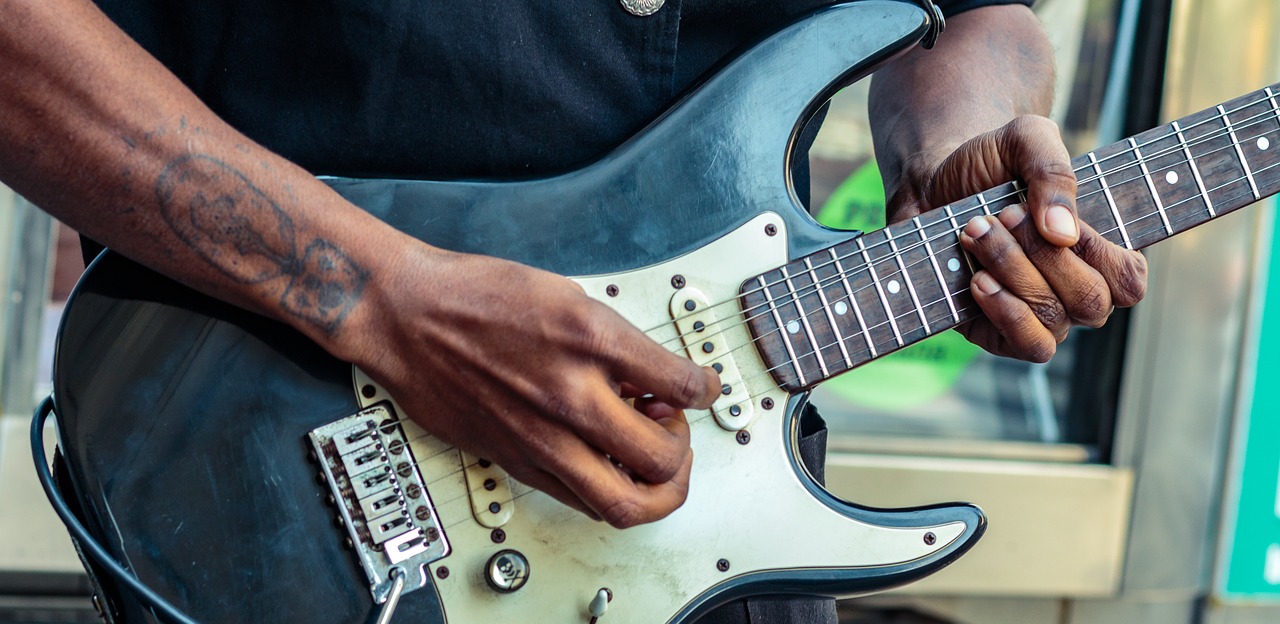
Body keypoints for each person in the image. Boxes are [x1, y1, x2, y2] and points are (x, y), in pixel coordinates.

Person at [0, 0, 1147, 622]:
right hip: (294, 489)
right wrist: (383, 301)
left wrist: (948, 147)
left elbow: (967, 15)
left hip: (719, 546)